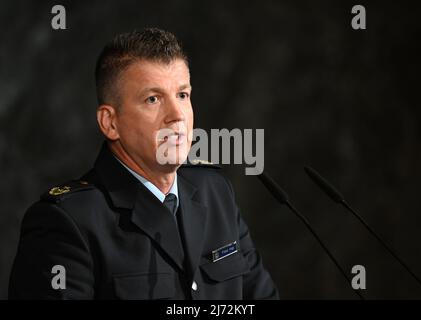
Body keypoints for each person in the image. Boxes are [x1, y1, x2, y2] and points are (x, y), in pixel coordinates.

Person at [8, 28, 279, 300]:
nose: (176, 116)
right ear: (110, 123)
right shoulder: (67, 222)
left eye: (182, 95)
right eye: (153, 99)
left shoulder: (215, 192)